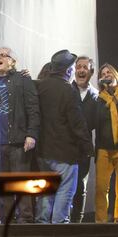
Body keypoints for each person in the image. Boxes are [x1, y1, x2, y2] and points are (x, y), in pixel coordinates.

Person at [35, 50, 94, 223]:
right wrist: (87, 147)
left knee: (45, 194)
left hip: (43, 152)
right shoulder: (69, 90)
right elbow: (77, 123)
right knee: (64, 194)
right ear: (68, 70)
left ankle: (41, 229)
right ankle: (60, 229)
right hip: (65, 154)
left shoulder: (41, 87)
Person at [0, 47, 39, 223]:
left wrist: (31, 134)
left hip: (17, 141)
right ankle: (7, 221)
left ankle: (25, 221)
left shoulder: (22, 80)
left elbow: (33, 109)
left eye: (4, 55)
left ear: (13, 61)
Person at [70, 56, 98, 223]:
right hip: (64, 147)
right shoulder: (66, 90)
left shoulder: (96, 96)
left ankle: (76, 225)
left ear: (91, 72)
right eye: (78, 67)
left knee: (80, 187)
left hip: (83, 150)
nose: (81, 70)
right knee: (63, 188)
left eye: (84, 67)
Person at [95, 63, 118, 223]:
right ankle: (101, 222)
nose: (106, 74)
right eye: (103, 73)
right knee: (102, 188)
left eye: (109, 72)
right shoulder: (98, 99)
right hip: (103, 148)